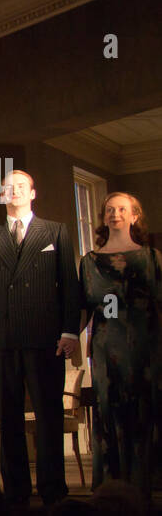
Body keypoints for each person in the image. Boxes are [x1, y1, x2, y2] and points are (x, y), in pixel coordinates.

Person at [0, 170, 81, 506]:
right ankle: (15, 489)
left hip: (46, 338)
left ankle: (52, 488)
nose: (14, 191)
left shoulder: (55, 232)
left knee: (49, 416)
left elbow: (70, 286)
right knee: (8, 418)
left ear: (33, 193)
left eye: (21, 186)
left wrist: (69, 330)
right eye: (8, 188)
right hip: (2, 340)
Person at [79, 192, 161, 493]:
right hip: (104, 346)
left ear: (134, 215)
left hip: (145, 345)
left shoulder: (151, 257)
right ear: (103, 217)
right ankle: (111, 488)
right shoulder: (88, 262)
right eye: (109, 209)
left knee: (144, 409)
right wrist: (68, 341)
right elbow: (83, 308)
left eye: (122, 209)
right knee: (108, 410)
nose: (115, 214)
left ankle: (144, 485)